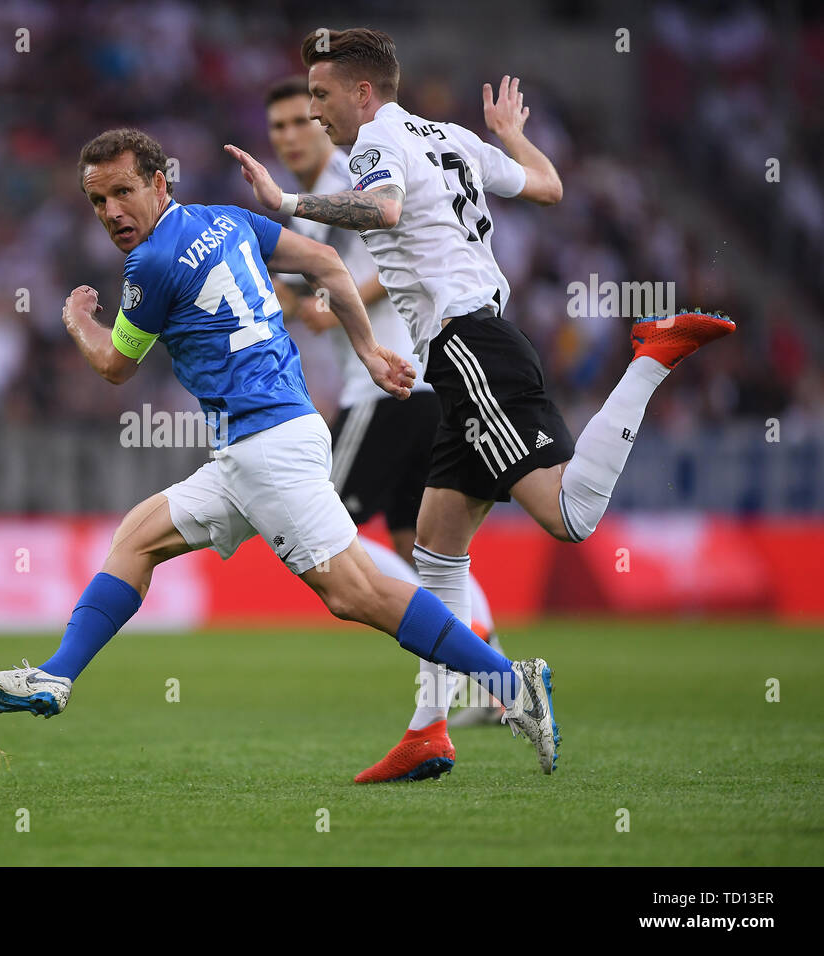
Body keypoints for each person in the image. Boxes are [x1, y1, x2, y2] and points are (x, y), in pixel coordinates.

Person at [0, 127, 560, 775]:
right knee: (138, 539)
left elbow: (114, 365)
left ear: (160, 184)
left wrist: (77, 318)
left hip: (265, 446)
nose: (111, 212)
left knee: (356, 593)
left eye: (123, 193)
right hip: (261, 443)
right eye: (98, 200)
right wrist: (364, 348)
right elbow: (329, 265)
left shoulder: (151, 265)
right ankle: (55, 676)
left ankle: (511, 683)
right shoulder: (228, 221)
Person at [225, 28, 733, 770]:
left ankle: (652, 359)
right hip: (465, 352)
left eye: (323, 96)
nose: (315, 111)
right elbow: (550, 187)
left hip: (467, 349)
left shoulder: (374, 142)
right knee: (434, 550)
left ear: (364, 94)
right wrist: (514, 138)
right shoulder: (453, 136)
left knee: (569, 515)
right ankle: (430, 729)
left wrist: (286, 199)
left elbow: (384, 212)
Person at [262, 75, 505, 784]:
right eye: (278, 125)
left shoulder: (351, 173)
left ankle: (477, 650)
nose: (291, 132)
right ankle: (491, 673)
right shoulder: (311, 207)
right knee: (417, 545)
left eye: (303, 118)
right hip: (417, 385)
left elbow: (383, 242)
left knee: (324, 525)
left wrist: (335, 294)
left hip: (388, 388)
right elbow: (314, 280)